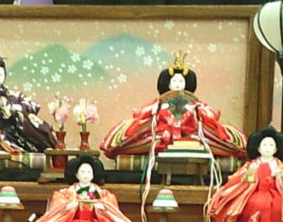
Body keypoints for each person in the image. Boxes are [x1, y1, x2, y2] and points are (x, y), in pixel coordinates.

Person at [100, 54, 247, 160]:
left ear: (186, 84)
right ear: (168, 84)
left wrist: (194, 112)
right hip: (160, 136)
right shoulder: (158, 104)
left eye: (181, 81)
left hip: (191, 135)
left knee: (213, 136)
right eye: (174, 81)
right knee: (138, 133)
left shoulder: (195, 104)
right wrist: (158, 110)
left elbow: (211, 115)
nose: (177, 84)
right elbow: (141, 114)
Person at [20, 153, 151, 222]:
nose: (86, 175)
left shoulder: (103, 193)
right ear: (76, 174)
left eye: (89, 172)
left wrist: (103, 207)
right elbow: (58, 203)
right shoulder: (66, 192)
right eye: (82, 172)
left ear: (94, 175)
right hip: (74, 221)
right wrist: (67, 206)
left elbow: (111, 205)